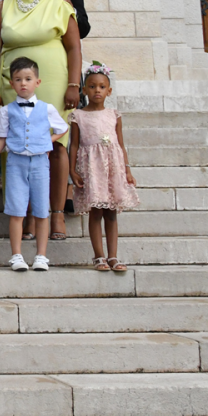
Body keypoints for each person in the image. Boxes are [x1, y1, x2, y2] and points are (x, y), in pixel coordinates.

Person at [0, 0, 82, 244]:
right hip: (12, 84)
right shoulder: (3, 7)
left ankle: (55, 212)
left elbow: (74, 48)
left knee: (55, 146)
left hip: (53, 85)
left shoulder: (60, 5)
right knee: (17, 148)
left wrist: (74, 85)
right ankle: (24, 212)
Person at [0, 57, 68, 271]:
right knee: (17, 210)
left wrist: (46, 142)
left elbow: (62, 128)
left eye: (28, 79)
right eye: (18, 79)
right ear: (12, 84)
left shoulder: (47, 108)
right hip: (15, 163)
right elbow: (1, 139)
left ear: (37, 82)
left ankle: (41, 256)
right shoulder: (6, 111)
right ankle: (16, 255)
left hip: (40, 162)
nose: (23, 83)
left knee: (42, 209)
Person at [69, 61, 139, 273]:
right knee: (96, 212)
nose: (96, 90)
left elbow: (121, 144)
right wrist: (73, 171)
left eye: (101, 87)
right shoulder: (78, 116)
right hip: (92, 168)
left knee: (111, 213)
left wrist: (127, 170)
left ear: (108, 91)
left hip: (113, 167)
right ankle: (98, 256)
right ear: (84, 90)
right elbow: (74, 145)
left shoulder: (114, 115)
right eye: (92, 86)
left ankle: (113, 256)